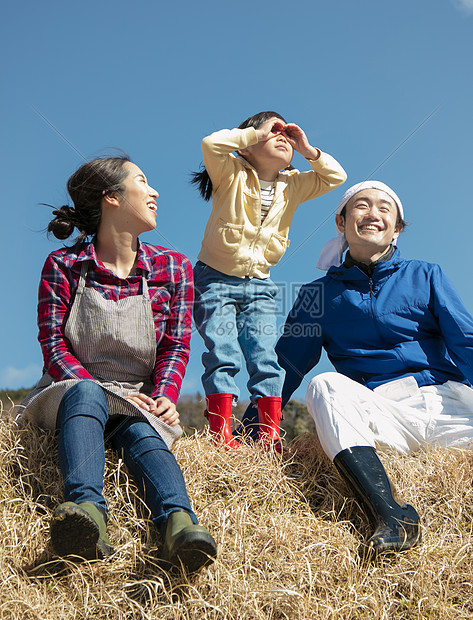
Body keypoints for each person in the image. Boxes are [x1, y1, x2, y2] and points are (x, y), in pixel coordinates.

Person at [18, 156, 217, 572]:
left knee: (143, 432)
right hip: (68, 391)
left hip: (136, 398)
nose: (155, 192)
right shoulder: (64, 266)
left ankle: (179, 524)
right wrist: (98, 387)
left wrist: (162, 395)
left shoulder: (174, 267)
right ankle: (86, 512)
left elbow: (176, 347)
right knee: (88, 392)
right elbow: (54, 347)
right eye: (143, 181)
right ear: (111, 197)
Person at [265, 180, 473, 554]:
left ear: (397, 228)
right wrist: (258, 424)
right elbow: (289, 363)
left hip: (448, 404)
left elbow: (465, 341)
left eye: (384, 208)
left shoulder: (426, 274)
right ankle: (392, 515)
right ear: (340, 223)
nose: (372, 213)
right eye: (361, 206)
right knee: (324, 384)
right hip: (383, 414)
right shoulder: (317, 294)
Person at [191, 111, 347, 451]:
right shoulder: (229, 171)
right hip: (214, 278)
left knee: (265, 357)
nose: (281, 136)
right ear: (246, 145)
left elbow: (336, 176)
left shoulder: (293, 186)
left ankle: (269, 435)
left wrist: (305, 148)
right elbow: (210, 144)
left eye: (285, 134)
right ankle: (221, 433)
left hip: (260, 284)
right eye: (272, 130)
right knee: (223, 351)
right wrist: (253, 134)